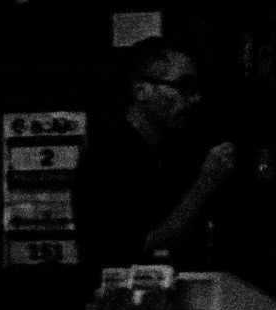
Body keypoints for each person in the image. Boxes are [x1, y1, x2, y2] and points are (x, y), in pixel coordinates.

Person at [74, 37, 244, 271]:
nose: (196, 98)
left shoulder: (171, 155)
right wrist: (205, 184)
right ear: (141, 90)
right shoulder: (107, 162)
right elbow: (143, 252)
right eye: (184, 86)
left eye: (196, 88)